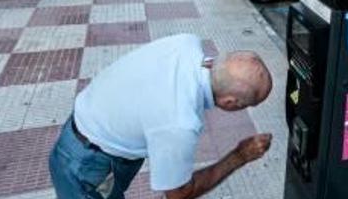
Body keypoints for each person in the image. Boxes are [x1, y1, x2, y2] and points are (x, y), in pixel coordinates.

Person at [49, 34, 273, 199]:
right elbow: (179, 193)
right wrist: (240, 156)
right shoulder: (180, 123)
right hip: (85, 166)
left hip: (87, 130)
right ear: (230, 103)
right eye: (248, 105)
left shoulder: (187, 43)